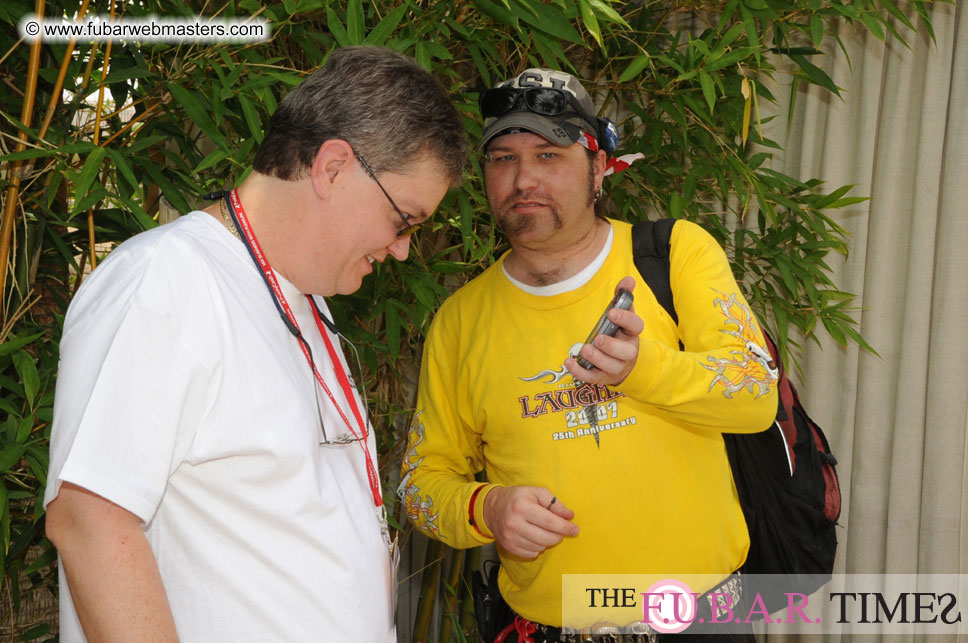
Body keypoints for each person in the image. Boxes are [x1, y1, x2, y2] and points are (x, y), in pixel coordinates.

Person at [44, 46, 465, 642]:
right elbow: (89, 519)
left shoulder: (304, 299)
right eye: (404, 221)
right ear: (333, 168)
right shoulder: (170, 281)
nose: (402, 250)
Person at [398, 67, 779, 642]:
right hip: (545, 628)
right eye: (502, 158)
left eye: (549, 155)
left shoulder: (675, 254)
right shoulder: (459, 320)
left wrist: (644, 369)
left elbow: (756, 395)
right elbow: (421, 483)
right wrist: (487, 508)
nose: (523, 178)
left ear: (598, 168)